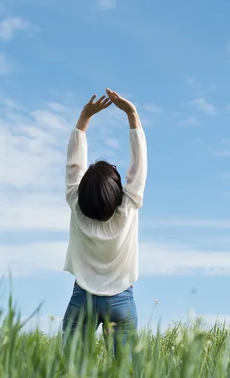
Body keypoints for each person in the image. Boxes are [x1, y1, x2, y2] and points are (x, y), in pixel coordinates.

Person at [61, 88, 148, 359]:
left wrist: (84, 119)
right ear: (117, 190)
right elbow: (139, 165)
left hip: (82, 298)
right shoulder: (128, 206)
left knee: (70, 370)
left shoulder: (77, 203)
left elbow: (74, 166)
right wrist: (132, 115)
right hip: (121, 299)